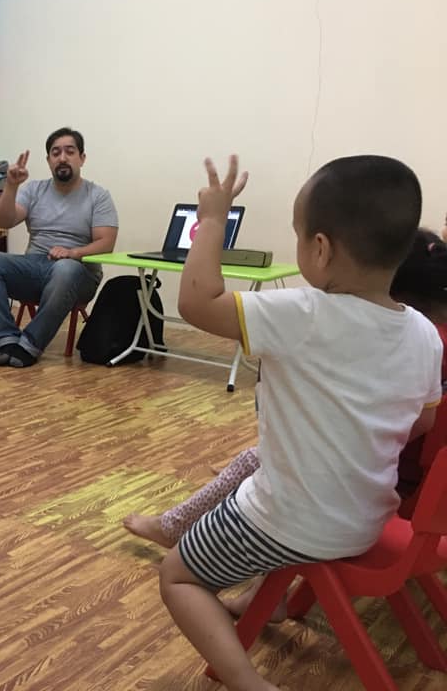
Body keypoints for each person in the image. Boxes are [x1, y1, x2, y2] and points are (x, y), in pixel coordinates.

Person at [157, 155, 441, 691]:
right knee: (288, 477)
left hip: (290, 522)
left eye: (297, 233)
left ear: (321, 249)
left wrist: (212, 219)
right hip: (367, 518)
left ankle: (248, 682)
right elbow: (422, 426)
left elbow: (195, 301)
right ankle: (265, 598)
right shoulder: (424, 333)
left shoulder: (300, 313)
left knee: (177, 576)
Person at [0, 127, 118, 367]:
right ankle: (6, 340)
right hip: (34, 267)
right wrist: (11, 186)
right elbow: (3, 221)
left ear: (82, 158)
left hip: (79, 273)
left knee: (65, 268)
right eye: (55, 153)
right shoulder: (34, 190)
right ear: (49, 160)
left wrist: (73, 253)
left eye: (70, 151)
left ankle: (30, 345)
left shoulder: (98, 195)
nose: (62, 158)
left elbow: (106, 243)